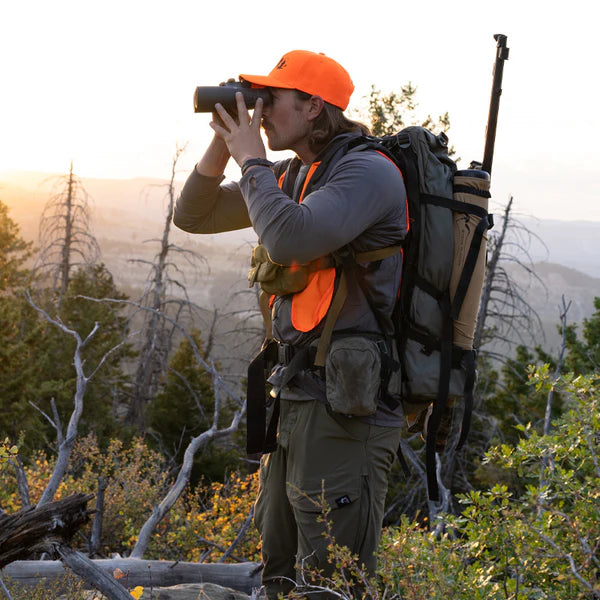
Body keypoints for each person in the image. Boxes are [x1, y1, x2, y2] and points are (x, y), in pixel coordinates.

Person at [173, 49, 408, 599]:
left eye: (271, 98)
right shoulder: (295, 172)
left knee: (332, 581)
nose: (263, 108)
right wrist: (226, 139)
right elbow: (193, 215)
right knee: (278, 564)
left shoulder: (367, 172)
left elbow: (290, 239)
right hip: (297, 395)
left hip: (348, 409)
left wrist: (251, 160)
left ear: (313, 108)